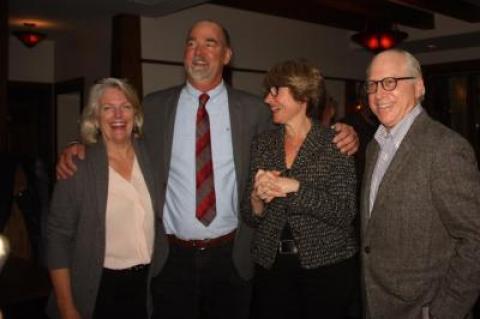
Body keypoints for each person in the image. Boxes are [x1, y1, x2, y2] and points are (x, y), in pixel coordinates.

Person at [56, 20, 360, 319]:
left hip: (232, 257)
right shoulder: (156, 107)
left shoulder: (255, 110)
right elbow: (118, 134)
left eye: (209, 43)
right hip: (172, 259)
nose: (198, 51)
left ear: (227, 56)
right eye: (191, 43)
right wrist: (79, 145)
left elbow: (298, 132)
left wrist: (346, 131)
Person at [361, 49, 480, 319]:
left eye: (391, 82)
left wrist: (442, 312)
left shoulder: (445, 148)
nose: (379, 94)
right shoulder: (375, 145)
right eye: (372, 84)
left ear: (419, 86)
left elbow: (475, 239)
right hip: (376, 304)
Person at [241, 59, 358, 319]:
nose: (268, 99)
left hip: (326, 268)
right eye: (268, 92)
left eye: (276, 91)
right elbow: (249, 216)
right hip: (271, 267)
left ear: (302, 95)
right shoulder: (263, 143)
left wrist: (295, 187)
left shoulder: (335, 143)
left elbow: (344, 212)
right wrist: (257, 199)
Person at [44, 78, 164, 319]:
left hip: (146, 286)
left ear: (135, 113)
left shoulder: (152, 155)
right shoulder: (78, 166)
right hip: (98, 289)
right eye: (108, 108)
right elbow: (57, 238)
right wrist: (67, 307)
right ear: (95, 117)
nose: (118, 115)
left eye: (126, 106)